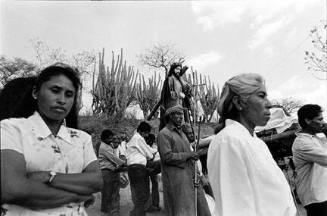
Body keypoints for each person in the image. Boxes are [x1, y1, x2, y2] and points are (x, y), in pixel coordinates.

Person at [1, 62, 103, 215]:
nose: (62, 100)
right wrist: (78, 195)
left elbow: (96, 181)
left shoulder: (82, 138)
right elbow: (14, 190)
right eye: (55, 91)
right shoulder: (12, 129)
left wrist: (49, 177)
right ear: (35, 93)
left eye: (69, 94)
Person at [207, 73, 296, 216]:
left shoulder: (255, 141)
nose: (269, 103)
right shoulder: (229, 141)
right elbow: (235, 210)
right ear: (239, 102)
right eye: (261, 96)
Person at [157, 105, 210, 216]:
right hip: (177, 180)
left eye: (182, 114)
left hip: (191, 176)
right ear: (170, 116)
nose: (181, 117)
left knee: (202, 208)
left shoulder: (182, 134)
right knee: (183, 210)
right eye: (177, 114)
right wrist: (189, 155)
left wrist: (197, 173)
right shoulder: (164, 134)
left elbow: (190, 156)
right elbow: (167, 157)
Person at [292, 104, 327, 216]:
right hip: (316, 197)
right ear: (307, 120)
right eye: (320, 119)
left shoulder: (319, 136)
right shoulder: (302, 143)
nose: (323, 122)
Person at [126, 121, 157, 216]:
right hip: (138, 168)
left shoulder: (135, 138)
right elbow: (149, 154)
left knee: (136, 191)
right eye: (146, 133)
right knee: (142, 193)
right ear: (142, 131)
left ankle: (137, 212)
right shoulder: (138, 138)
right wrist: (156, 151)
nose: (147, 135)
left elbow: (147, 149)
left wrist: (154, 150)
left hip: (132, 168)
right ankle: (137, 213)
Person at [98, 129, 128, 216]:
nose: (111, 140)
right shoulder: (103, 147)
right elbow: (113, 158)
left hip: (112, 170)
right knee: (107, 192)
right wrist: (124, 164)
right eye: (109, 138)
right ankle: (106, 211)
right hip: (106, 172)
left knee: (114, 192)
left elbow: (115, 157)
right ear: (103, 139)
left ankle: (113, 211)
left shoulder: (109, 144)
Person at [181, 123, 214, 198]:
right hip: (194, 176)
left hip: (199, 173)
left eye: (192, 133)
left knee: (208, 188)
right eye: (188, 134)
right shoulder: (185, 147)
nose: (191, 135)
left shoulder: (190, 145)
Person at [160, 62, 192, 130]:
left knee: (180, 127)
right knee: (172, 127)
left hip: (179, 107)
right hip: (172, 107)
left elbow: (186, 89)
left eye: (180, 69)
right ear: (173, 69)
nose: (179, 71)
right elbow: (171, 94)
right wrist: (180, 94)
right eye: (177, 69)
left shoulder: (179, 80)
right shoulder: (170, 79)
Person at [145, 133, 161, 212]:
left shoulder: (154, 147)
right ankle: (148, 205)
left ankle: (155, 204)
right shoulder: (145, 146)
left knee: (155, 185)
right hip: (146, 168)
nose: (151, 142)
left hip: (152, 168)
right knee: (147, 186)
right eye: (149, 140)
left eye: (152, 140)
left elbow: (156, 154)